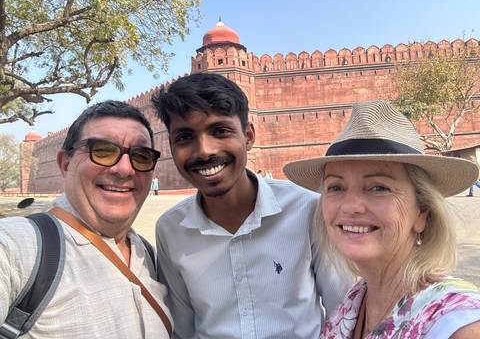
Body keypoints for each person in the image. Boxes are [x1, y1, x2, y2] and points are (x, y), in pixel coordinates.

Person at [152, 72, 351, 338]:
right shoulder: (172, 229)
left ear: (248, 135)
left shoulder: (307, 210)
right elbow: (182, 329)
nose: (204, 151)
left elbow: (344, 310)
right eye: (184, 137)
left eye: (220, 131)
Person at [284, 100, 480, 339]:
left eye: (378, 187)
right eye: (336, 187)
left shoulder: (457, 324)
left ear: (422, 212)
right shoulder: (357, 299)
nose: (351, 206)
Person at [0, 101, 172, 338]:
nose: (124, 169)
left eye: (141, 156)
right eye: (102, 150)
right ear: (65, 163)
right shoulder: (17, 247)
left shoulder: (150, 257)